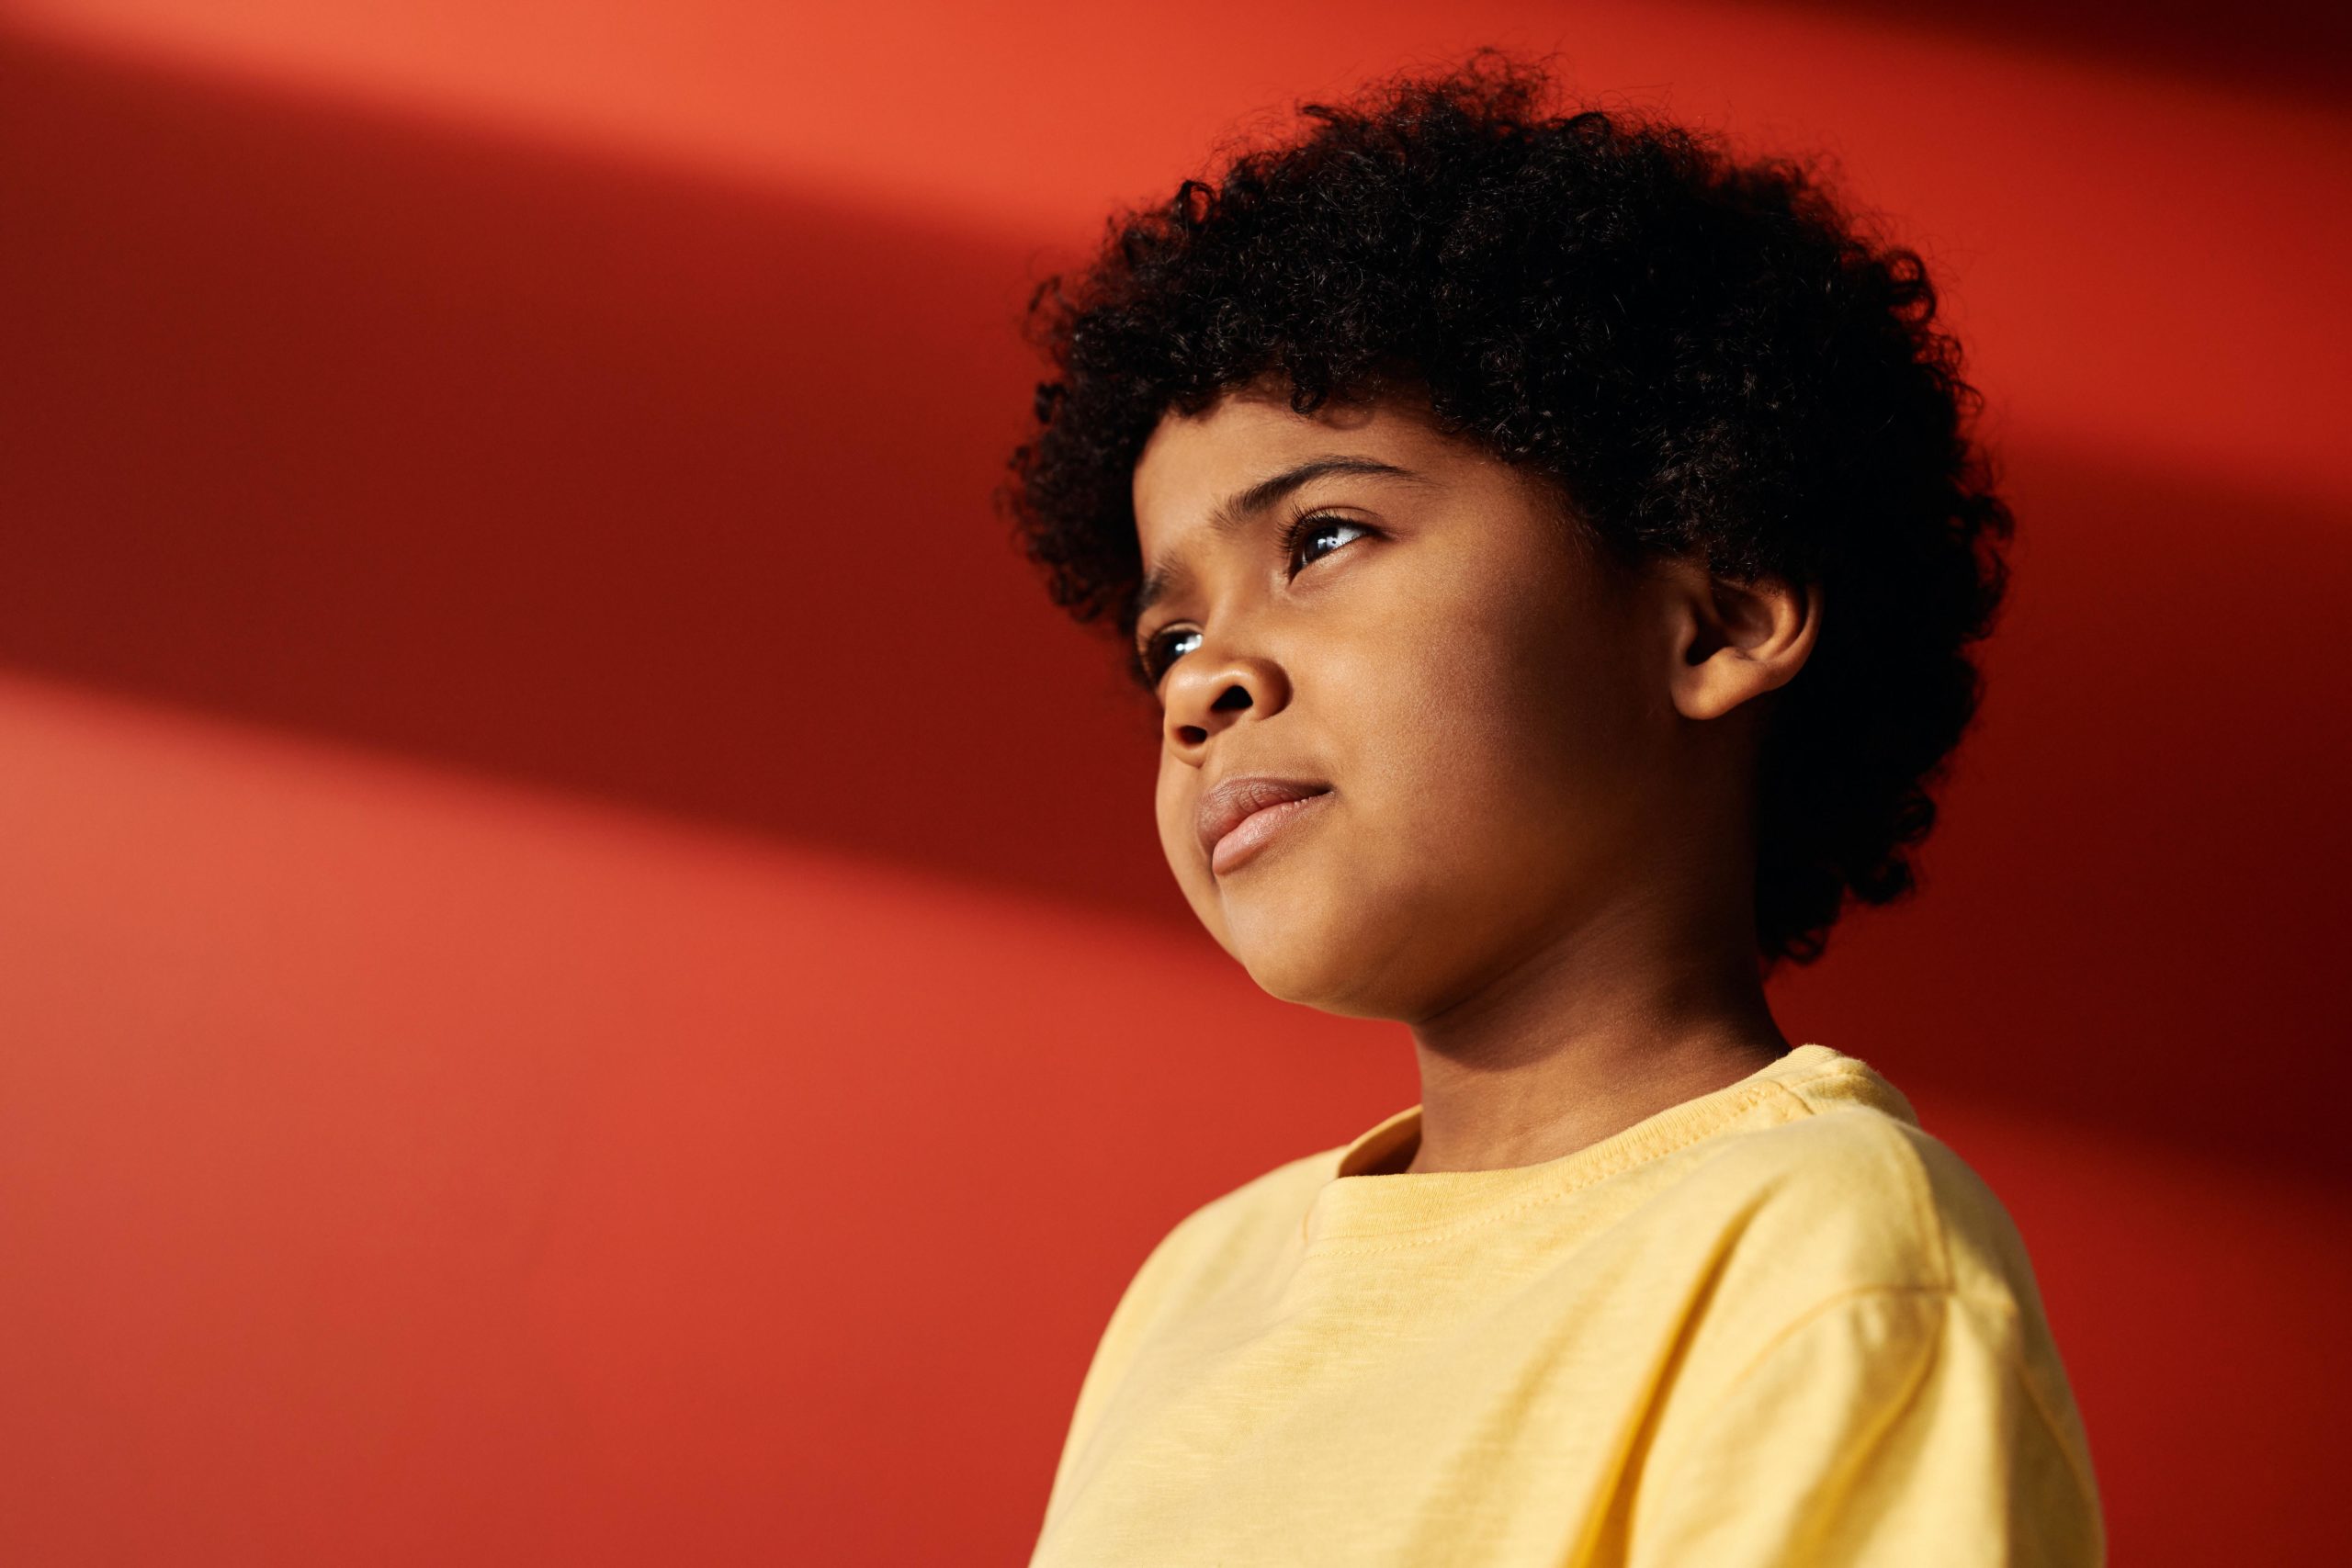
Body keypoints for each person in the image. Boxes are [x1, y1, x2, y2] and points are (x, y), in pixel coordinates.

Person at [997, 51, 2103, 1568]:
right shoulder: (1202, 1287)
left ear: (1715, 620)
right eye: (1168, 642)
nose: (1203, 685)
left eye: (1322, 536)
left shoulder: (1821, 1256)